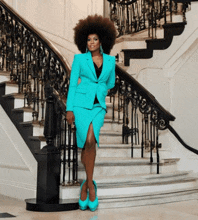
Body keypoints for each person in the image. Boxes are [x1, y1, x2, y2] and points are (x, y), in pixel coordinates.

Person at [66, 14, 116, 211]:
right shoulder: (79, 59)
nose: (92, 42)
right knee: (86, 143)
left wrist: (100, 90)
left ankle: (87, 184)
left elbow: (110, 82)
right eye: (88, 39)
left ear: (102, 40)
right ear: (84, 41)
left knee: (90, 140)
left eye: (95, 38)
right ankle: (89, 185)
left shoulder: (110, 61)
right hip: (80, 104)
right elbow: (71, 85)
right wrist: (70, 108)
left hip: (98, 107)